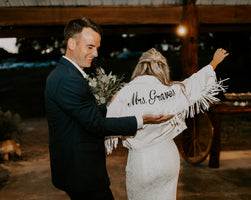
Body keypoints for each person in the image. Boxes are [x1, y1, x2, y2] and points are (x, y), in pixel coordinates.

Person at [44, 17, 173, 200]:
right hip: (81, 172)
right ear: (72, 43)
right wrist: (142, 119)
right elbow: (96, 125)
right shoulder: (68, 79)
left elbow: (84, 114)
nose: (95, 53)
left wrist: (110, 104)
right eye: (90, 47)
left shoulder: (66, 73)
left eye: (97, 47)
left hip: (75, 168)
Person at [105, 48, 229, 200]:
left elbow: (107, 121)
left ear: (140, 66)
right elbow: (195, 83)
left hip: (142, 161)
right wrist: (214, 62)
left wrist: (110, 101)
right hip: (168, 157)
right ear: (163, 68)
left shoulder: (125, 93)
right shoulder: (173, 90)